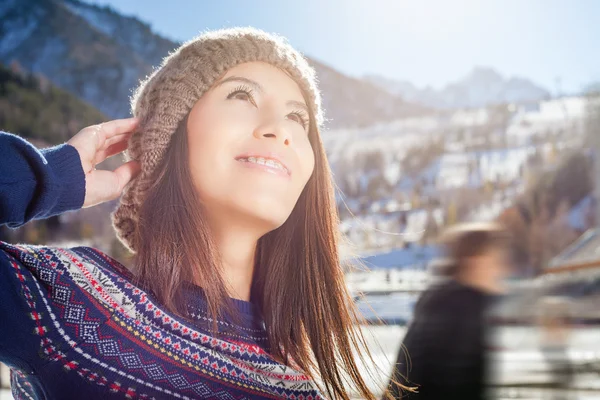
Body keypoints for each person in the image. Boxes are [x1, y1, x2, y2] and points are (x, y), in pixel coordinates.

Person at [0, 28, 389, 400]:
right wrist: (49, 177)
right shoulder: (68, 304)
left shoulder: (298, 390)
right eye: (241, 96)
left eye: (298, 118)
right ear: (169, 136)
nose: (281, 130)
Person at [385, 223, 514, 400]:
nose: (503, 269)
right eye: (497, 260)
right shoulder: (457, 310)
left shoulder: (453, 302)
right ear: (475, 262)